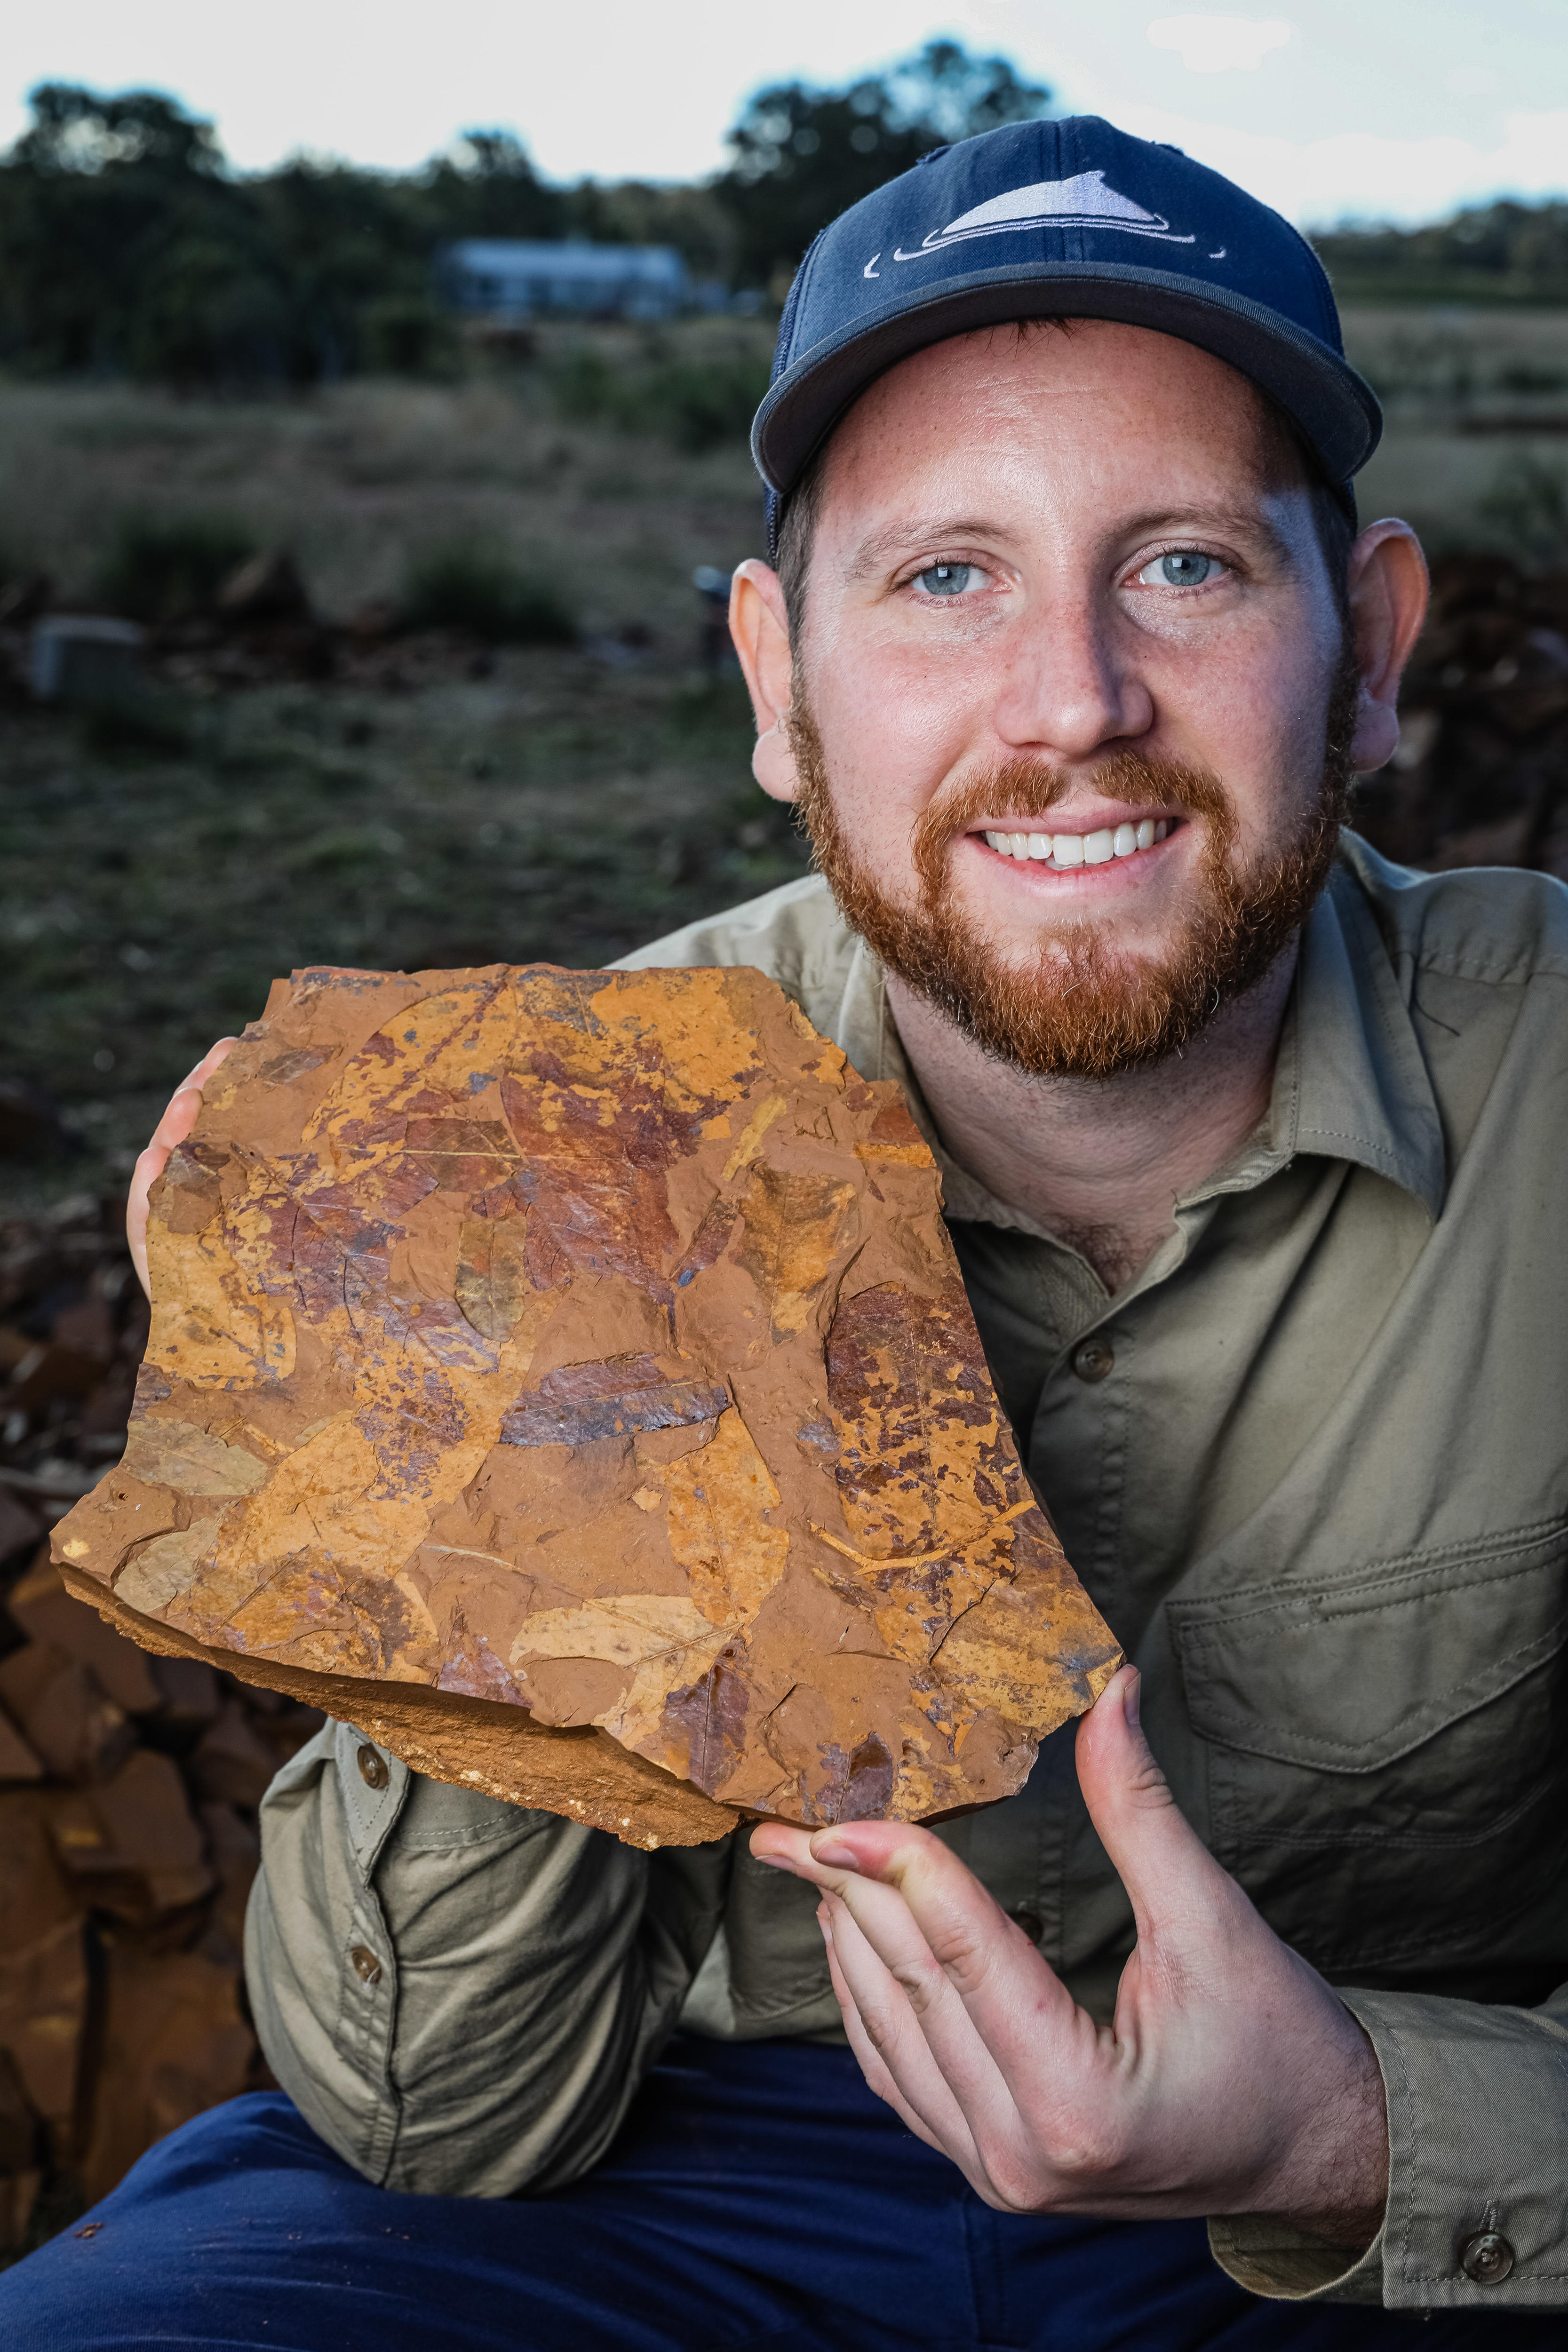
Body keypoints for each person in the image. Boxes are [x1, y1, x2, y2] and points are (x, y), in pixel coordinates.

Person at [4, 116, 1565, 2351]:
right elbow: (443, 2119)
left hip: (1387, 2187)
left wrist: (1353, 2131)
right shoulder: (550, 1139)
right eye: (945, 576)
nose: (1070, 704)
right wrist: (446, 1470)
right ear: (775, 677)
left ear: (1377, 644)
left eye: (1190, 566)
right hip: (688, 2169)